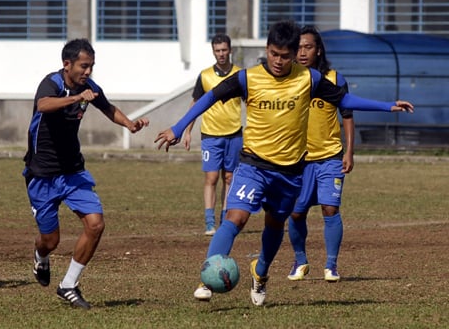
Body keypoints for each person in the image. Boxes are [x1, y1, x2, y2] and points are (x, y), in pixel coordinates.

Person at [155, 20, 413, 306]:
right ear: (267, 50)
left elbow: (344, 99)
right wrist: (178, 129)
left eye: (285, 56)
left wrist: (386, 105)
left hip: (289, 173)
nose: (278, 61)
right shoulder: (248, 78)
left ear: (294, 55)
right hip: (253, 165)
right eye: (274, 54)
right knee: (235, 218)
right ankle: (208, 276)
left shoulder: (309, 79)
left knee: (275, 225)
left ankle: (261, 274)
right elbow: (210, 97)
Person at [23, 38, 149, 310]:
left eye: (91, 66)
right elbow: (43, 105)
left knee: (95, 224)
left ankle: (68, 284)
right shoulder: (53, 83)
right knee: (50, 240)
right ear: (67, 64)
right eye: (84, 66)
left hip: (73, 172)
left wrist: (129, 124)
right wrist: (77, 98)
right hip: (42, 174)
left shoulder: (89, 87)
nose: (88, 72)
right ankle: (40, 255)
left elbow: (108, 108)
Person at [286, 26, 354, 283]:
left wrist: (349, 151)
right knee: (295, 212)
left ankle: (331, 265)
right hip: (298, 160)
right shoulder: (289, 80)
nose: (302, 53)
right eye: (299, 48)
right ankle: (300, 260)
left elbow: (347, 115)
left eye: (308, 47)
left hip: (330, 157)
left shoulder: (335, 79)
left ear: (318, 50)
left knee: (330, 208)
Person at [182, 34, 242, 236]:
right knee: (212, 177)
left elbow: (252, 101)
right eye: (218, 50)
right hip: (210, 134)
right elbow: (196, 104)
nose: (221, 54)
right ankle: (209, 222)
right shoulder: (205, 75)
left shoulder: (240, 75)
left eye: (224, 50)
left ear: (230, 50)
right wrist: (188, 130)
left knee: (229, 177)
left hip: (234, 133)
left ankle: (226, 219)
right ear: (213, 52)